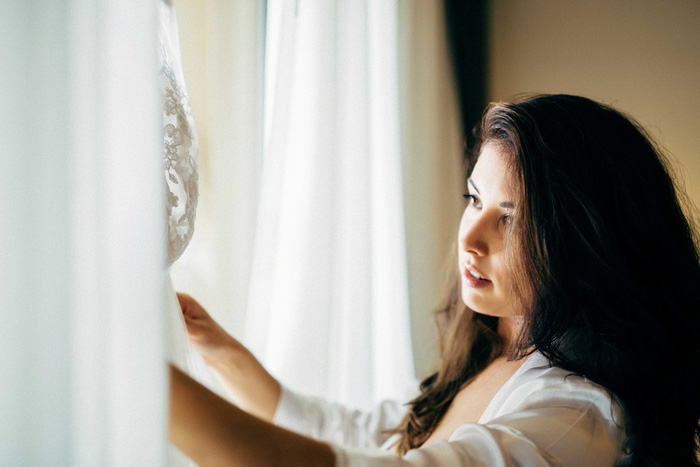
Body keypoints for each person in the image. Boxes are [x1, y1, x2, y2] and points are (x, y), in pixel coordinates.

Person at [168, 94, 700, 466]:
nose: (471, 237)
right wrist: (215, 348)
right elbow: (361, 434)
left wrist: (146, 378)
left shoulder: (576, 416)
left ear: (585, 244)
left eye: (511, 218)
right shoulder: (490, 353)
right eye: (474, 198)